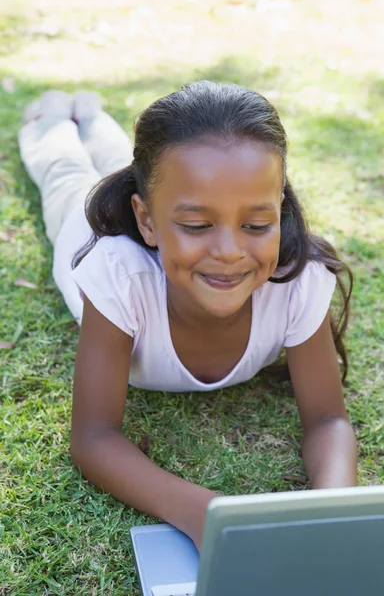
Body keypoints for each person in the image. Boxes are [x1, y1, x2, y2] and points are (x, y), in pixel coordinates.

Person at [18, 81, 357, 551]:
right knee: (66, 173)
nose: (229, 252)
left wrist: (331, 512)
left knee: (126, 161)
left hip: (155, 187)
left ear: (279, 212)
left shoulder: (296, 280)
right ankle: (52, 118)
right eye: (198, 226)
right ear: (147, 221)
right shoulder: (118, 275)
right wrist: (208, 516)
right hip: (82, 227)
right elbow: (93, 438)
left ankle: (93, 116)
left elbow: (328, 421)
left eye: (257, 225)